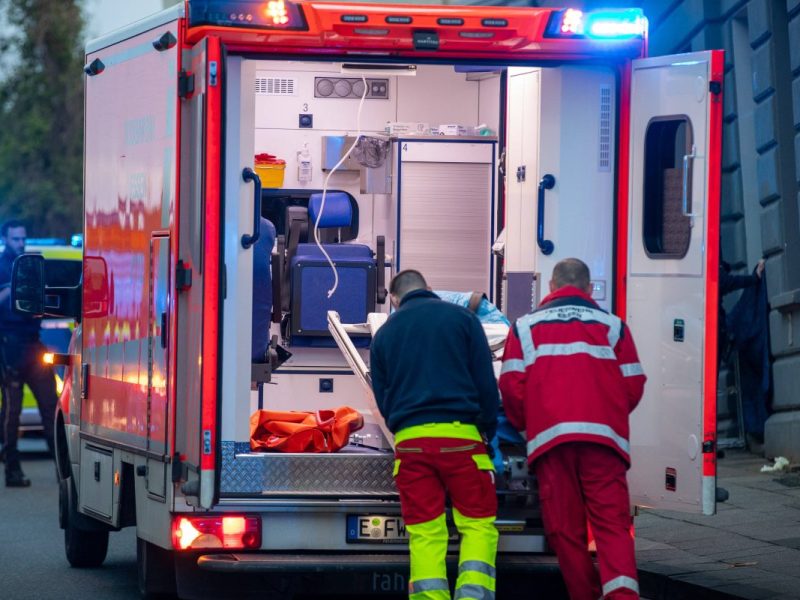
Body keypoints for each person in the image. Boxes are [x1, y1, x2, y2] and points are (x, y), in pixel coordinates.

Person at [498, 258, 646, 600]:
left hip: (552, 443)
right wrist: (607, 413)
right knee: (612, 526)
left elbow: (511, 387)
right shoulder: (613, 326)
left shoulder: (525, 327)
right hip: (603, 443)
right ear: (589, 288)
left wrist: (529, 427)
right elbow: (633, 383)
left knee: (565, 530)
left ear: (551, 287)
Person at [370, 270, 499, 600]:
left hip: (411, 444)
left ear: (394, 300)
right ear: (429, 288)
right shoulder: (463, 320)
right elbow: (486, 383)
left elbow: (383, 398)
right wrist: (487, 429)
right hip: (462, 439)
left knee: (425, 532)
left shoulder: (384, 335)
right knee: (477, 524)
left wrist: (404, 427)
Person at [0, 219, 57, 487]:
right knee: (12, 411)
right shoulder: (2, 266)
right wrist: (10, 288)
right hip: (9, 345)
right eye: (15, 239)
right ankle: (12, 470)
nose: (21, 243)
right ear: (5, 239)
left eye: (23, 238)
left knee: (51, 407)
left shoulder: (33, 265)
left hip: (34, 344)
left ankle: (65, 472)